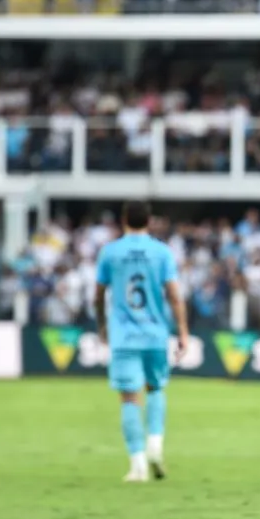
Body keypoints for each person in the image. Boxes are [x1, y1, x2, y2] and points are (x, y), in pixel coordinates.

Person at [94, 200, 190, 483]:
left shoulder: (110, 252)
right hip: (155, 334)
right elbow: (174, 294)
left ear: (124, 219)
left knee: (128, 399)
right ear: (149, 220)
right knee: (156, 388)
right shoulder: (162, 252)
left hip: (123, 337)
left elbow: (98, 296)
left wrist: (101, 326)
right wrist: (182, 331)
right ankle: (155, 445)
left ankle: (137, 466)